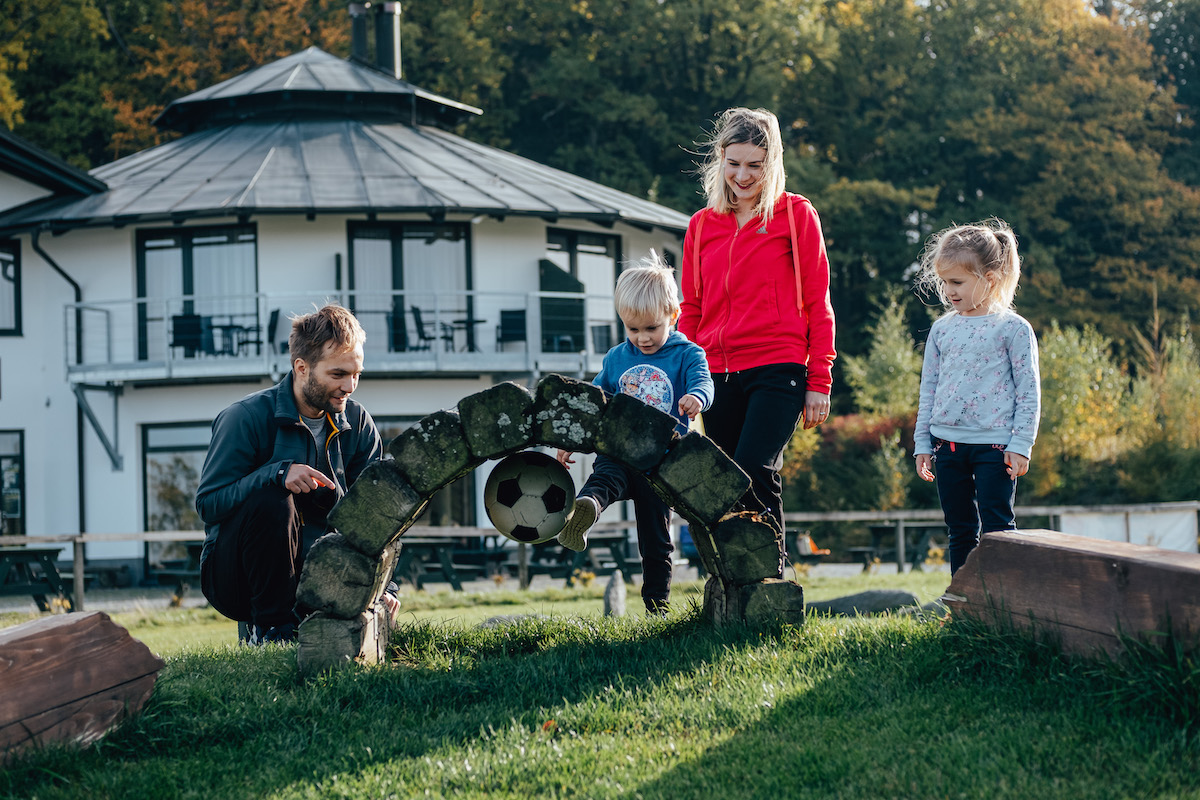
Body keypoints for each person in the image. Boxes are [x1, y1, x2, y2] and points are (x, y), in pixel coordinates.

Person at [679, 107, 837, 532]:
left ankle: (774, 582)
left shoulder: (795, 215)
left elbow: (817, 301)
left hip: (777, 367)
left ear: (773, 164)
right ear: (721, 161)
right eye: (734, 164)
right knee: (726, 480)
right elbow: (691, 308)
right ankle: (738, 586)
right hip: (716, 372)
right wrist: (680, 373)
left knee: (754, 468)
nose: (743, 176)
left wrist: (819, 380)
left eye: (755, 165)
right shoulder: (701, 226)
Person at [195, 304, 386, 644]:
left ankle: (300, 623)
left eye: (357, 374)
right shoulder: (244, 418)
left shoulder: (358, 424)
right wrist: (276, 473)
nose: (350, 386)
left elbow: (377, 514)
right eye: (338, 374)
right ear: (301, 367)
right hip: (234, 579)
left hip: (322, 571)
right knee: (274, 498)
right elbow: (209, 505)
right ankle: (271, 631)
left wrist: (387, 586)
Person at [555, 251, 714, 615]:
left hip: (659, 460)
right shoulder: (615, 358)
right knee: (604, 478)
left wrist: (696, 398)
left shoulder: (688, 354)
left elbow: (705, 383)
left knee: (656, 540)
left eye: (651, 328)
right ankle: (588, 510)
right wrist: (567, 441)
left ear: (673, 316)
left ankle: (656, 608)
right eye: (633, 329)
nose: (642, 338)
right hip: (619, 449)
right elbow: (593, 403)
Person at [912, 219, 1041, 575]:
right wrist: (923, 442)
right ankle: (962, 606)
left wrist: (1021, 443)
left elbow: (1029, 391)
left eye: (957, 282)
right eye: (944, 281)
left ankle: (1002, 605)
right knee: (960, 530)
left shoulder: (1013, 328)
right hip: (947, 447)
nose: (948, 290)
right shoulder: (942, 329)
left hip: (996, 449)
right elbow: (930, 389)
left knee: (998, 529)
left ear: (990, 279)